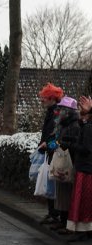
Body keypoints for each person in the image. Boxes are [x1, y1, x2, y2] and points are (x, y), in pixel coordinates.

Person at [50, 96, 80, 234]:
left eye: (61, 109)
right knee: (61, 193)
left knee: (67, 194)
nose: (58, 111)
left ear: (67, 112)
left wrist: (61, 144)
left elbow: (74, 144)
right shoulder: (64, 124)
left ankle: (66, 222)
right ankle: (62, 220)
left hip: (69, 164)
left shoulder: (74, 125)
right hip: (63, 163)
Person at [65, 96, 92, 238]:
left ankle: (82, 229)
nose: (80, 117)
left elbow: (86, 148)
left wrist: (69, 145)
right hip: (85, 167)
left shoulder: (88, 127)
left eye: (82, 114)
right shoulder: (86, 126)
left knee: (82, 201)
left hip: (86, 168)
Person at [37, 83, 64, 224]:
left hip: (54, 152)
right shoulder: (51, 112)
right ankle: (52, 213)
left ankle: (55, 214)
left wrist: (48, 144)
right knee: (49, 181)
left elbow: (58, 135)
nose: (42, 100)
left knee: (53, 183)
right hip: (49, 151)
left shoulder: (57, 113)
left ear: (52, 98)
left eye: (44, 97)